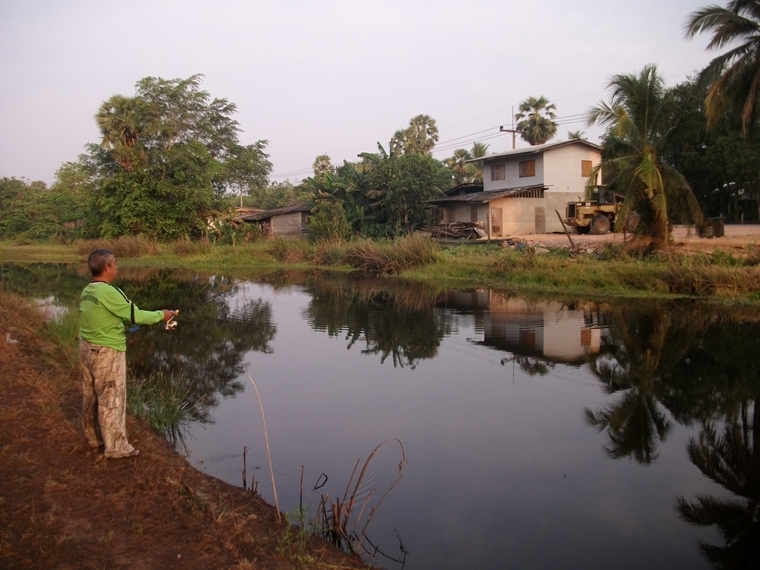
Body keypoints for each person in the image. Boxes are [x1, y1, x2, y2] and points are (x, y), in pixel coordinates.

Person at [78, 249, 175, 459]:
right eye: (115, 263)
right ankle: (116, 448)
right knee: (111, 398)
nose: (117, 267)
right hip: (106, 353)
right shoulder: (109, 292)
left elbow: (106, 317)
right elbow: (136, 315)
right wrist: (162, 315)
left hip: (87, 349)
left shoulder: (88, 291)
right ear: (107, 267)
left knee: (91, 395)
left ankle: (94, 438)